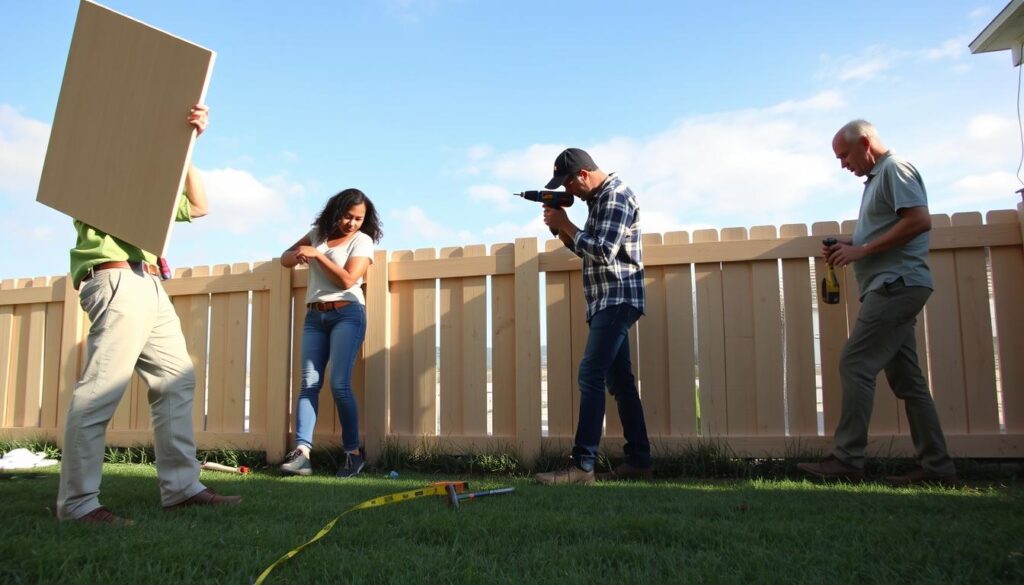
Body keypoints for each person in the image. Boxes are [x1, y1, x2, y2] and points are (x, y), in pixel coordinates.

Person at [57, 104, 242, 524]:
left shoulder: (147, 185)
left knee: (177, 377)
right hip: (116, 278)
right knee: (101, 388)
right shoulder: (95, 168)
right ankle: (78, 504)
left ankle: (181, 488)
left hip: (149, 283)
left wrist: (187, 147)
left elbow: (199, 206)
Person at [797, 120, 958, 486]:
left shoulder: (894, 169)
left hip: (896, 285)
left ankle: (847, 458)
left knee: (856, 362)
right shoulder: (877, 180)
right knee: (908, 380)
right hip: (895, 285)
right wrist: (849, 243)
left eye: (844, 155)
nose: (842, 165)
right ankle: (937, 466)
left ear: (865, 142)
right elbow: (886, 228)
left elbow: (918, 221)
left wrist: (862, 250)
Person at [534, 148, 653, 485]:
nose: (568, 192)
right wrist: (562, 231)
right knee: (620, 382)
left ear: (583, 175)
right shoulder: (599, 201)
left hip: (617, 297)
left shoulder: (615, 196)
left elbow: (603, 250)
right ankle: (640, 461)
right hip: (605, 300)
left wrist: (566, 223)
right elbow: (589, 250)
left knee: (590, 374)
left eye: (569, 184)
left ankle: (582, 465)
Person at [278, 189, 382, 478]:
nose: (352, 223)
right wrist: (299, 253)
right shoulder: (317, 234)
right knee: (308, 383)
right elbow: (284, 259)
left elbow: (349, 279)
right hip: (314, 317)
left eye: (358, 218)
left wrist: (317, 256)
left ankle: (352, 453)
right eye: (348, 216)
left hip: (347, 314)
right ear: (336, 212)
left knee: (339, 385)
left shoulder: (363, 241)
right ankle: (302, 454)